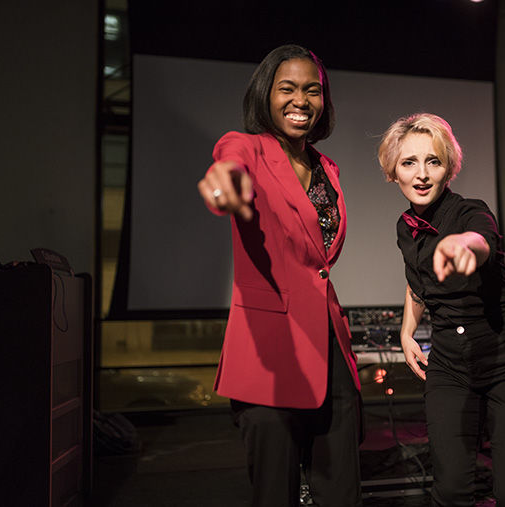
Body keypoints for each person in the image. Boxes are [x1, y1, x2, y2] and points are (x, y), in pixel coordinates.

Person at [197, 44, 362, 507]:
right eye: (287, 88)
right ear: (265, 94)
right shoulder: (248, 146)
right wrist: (225, 180)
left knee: (342, 492)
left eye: (313, 90)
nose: (301, 100)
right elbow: (229, 161)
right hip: (268, 351)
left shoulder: (326, 168)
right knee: (276, 494)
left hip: (329, 349)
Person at [378, 113, 505, 506]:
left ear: (448, 168)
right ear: (393, 172)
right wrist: (407, 332)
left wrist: (463, 246)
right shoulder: (405, 227)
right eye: (409, 162)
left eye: (433, 161)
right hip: (450, 366)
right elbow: (415, 283)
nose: (421, 174)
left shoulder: (471, 211)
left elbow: (481, 237)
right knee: (451, 490)